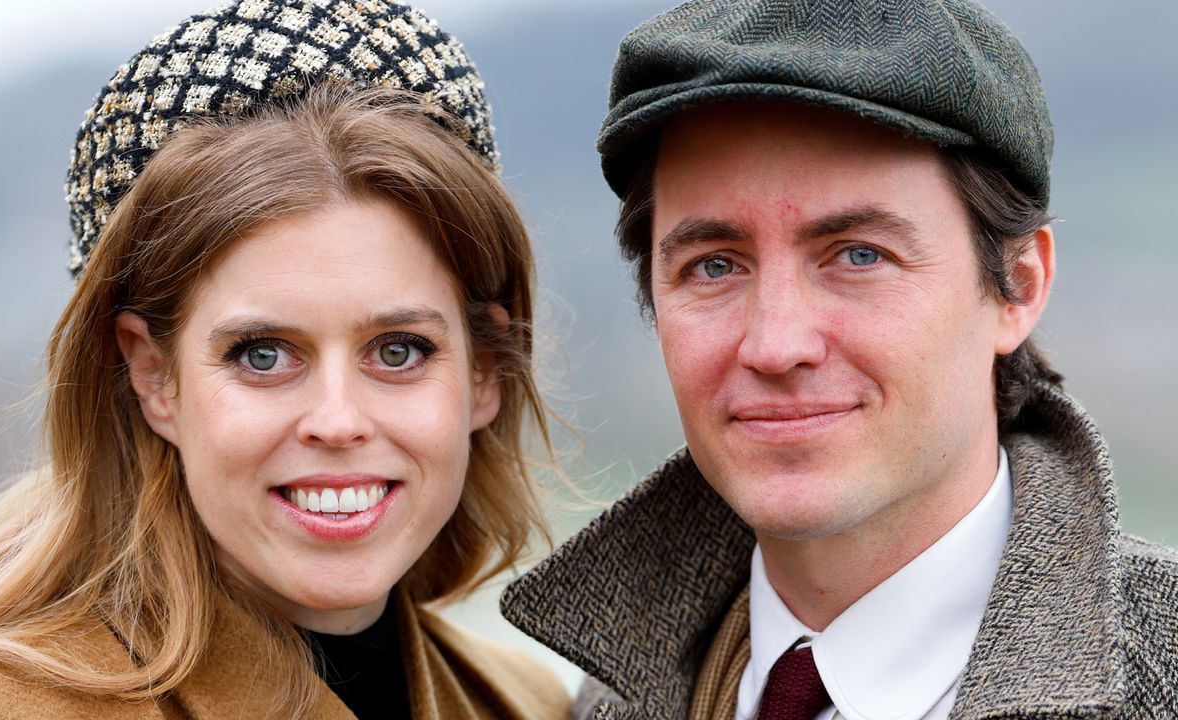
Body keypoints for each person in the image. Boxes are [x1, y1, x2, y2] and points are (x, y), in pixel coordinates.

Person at [502, 0, 1178, 718]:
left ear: (1018, 287)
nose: (776, 344)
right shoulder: (606, 704)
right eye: (714, 266)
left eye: (859, 255)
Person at [0, 2, 568, 719]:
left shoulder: (528, 703)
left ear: (483, 373)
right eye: (264, 354)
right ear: (152, 376)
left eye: (398, 351)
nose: (338, 421)